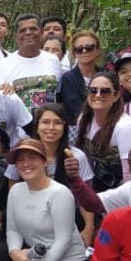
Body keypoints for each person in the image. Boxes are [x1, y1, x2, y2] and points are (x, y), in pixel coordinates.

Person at [0, 139, 89, 261]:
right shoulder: (16, 190)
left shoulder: (59, 193)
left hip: (66, 260)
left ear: (44, 161)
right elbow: (13, 230)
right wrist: (15, 252)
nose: (26, 164)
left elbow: (63, 240)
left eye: (32, 158)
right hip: (34, 254)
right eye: (20, 160)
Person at [6, 104, 96, 245]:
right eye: (45, 122)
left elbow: (85, 195)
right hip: (30, 218)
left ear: (65, 127)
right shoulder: (21, 153)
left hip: (67, 219)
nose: (51, 127)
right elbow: (12, 186)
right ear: (37, 126)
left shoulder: (76, 156)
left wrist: (89, 227)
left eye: (57, 123)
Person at [76, 71, 131, 190]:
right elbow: (86, 162)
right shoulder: (84, 120)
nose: (98, 95)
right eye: (93, 90)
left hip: (126, 187)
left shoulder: (125, 127)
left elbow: (130, 174)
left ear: (116, 96)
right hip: (99, 183)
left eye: (105, 91)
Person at [0, 13, 63, 114]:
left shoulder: (53, 60)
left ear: (41, 32)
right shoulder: (4, 64)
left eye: (33, 29)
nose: (28, 33)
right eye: (22, 30)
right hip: (17, 123)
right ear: (16, 36)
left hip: (47, 122)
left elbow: (58, 94)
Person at [58, 31, 103, 127]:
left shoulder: (106, 75)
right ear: (74, 53)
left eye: (89, 48)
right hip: (80, 128)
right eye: (79, 49)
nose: (84, 51)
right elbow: (75, 109)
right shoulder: (68, 78)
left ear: (98, 50)